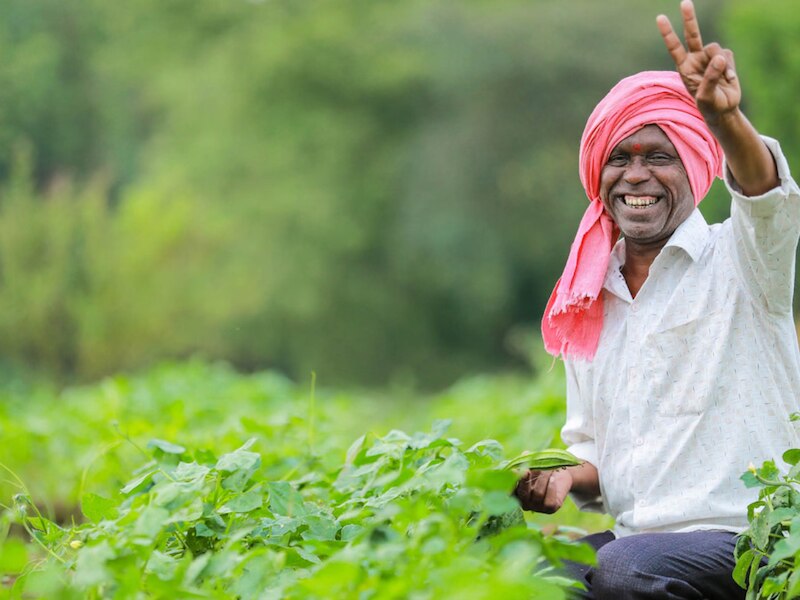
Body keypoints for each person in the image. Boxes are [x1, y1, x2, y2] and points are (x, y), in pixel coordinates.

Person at [514, 1, 800, 598]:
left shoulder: (746, 261)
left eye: (658, 157)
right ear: (600, 175)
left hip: (752, 537)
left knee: (626, 569)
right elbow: (602, 465)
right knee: (517, 565)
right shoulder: (589, 299)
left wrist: (726, 121)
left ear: (695, 169)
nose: (636, 176)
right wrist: (562, 478)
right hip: (638, 540)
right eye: (620, 158)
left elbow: (764, 193)